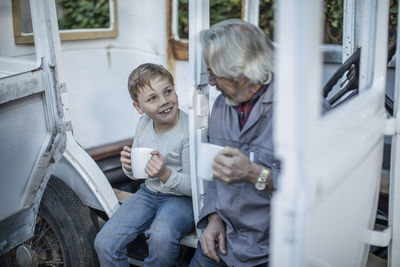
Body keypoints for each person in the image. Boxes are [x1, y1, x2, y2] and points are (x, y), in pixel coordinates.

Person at [189, 19, 279, 267]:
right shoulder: (222, 105)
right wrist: (214, 219)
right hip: (224, 240)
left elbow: (315, 185)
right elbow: (214, 173)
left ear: (241, 73)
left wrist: (256, 175)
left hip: (273, 251)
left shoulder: (298, 110)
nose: (211, 82)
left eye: (214, 74)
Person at [95, 63, 194, 267]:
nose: (164, 101)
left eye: (168, 91)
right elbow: (138, 175)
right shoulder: (143, 124)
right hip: (149, 193)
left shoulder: (189, 130)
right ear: (138, 107)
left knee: (161, 238)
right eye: (152, 98)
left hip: (182, 200)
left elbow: (195, 188)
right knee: (105, 243)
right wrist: (129, 168)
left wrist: (165, 174)